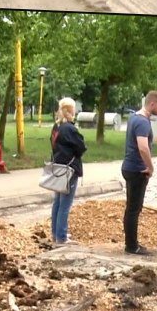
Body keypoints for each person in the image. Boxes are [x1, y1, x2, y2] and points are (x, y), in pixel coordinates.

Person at [121, 91, 157, 255]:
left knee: (131, 208)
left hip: (129, 166)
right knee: (134, 209)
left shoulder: (134, 117)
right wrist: (150, 167)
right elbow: (143, 147)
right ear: (152, 103)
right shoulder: (143, 122)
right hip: (137, 169)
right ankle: (132, 246)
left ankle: (131, 243)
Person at [49, 97, 86, 246]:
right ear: (70, 111)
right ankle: (62, 237)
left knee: (57, 202)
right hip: (69, 170)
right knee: (65, 204)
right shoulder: (70, 128)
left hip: (58, 168)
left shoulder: (56, 127)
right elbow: (81, 147)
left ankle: (56, 233)